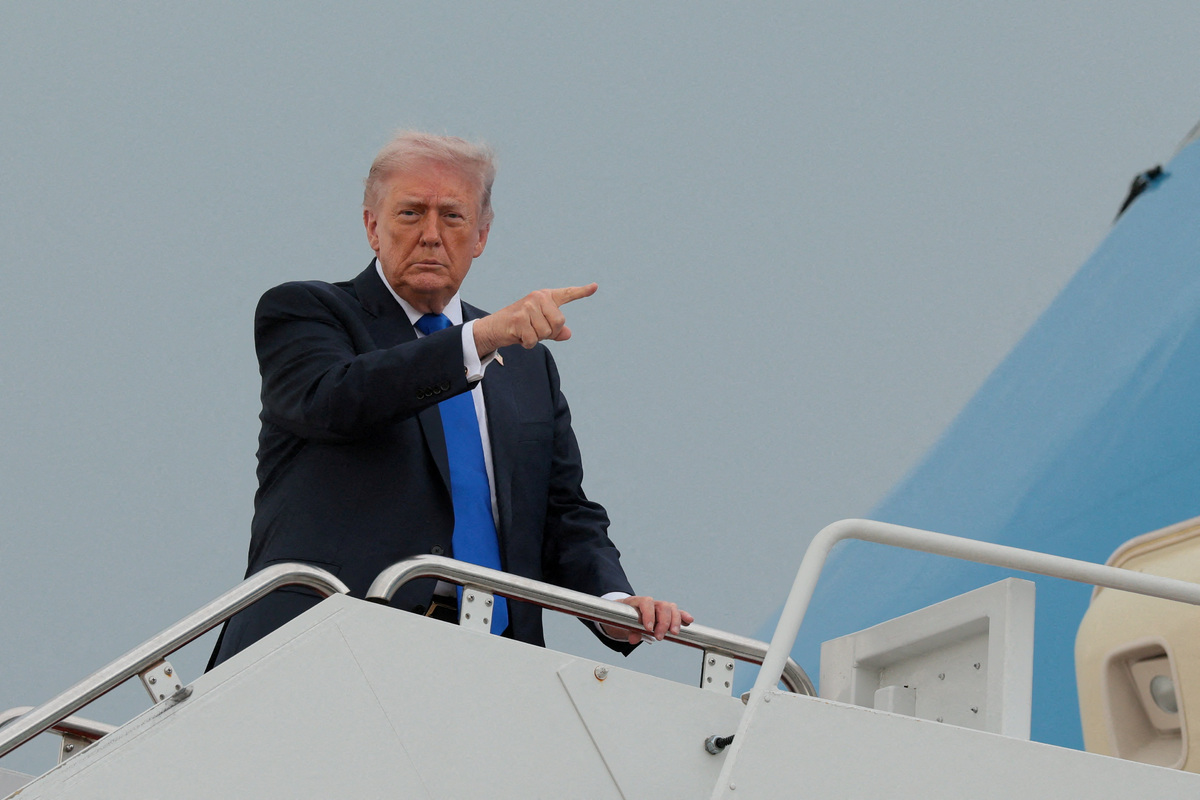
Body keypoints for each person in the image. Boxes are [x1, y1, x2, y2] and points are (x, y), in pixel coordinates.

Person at [209, 131, 691, 668]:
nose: (431, 235)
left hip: (490, 668)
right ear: (372, 226)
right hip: (328, 653)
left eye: (453, 217)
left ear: (481, 234)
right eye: (411, 213)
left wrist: (611, 601)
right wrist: (478, 340)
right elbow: (339, 399)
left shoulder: (526, 363)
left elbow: (560, 511)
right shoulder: (306, 312)